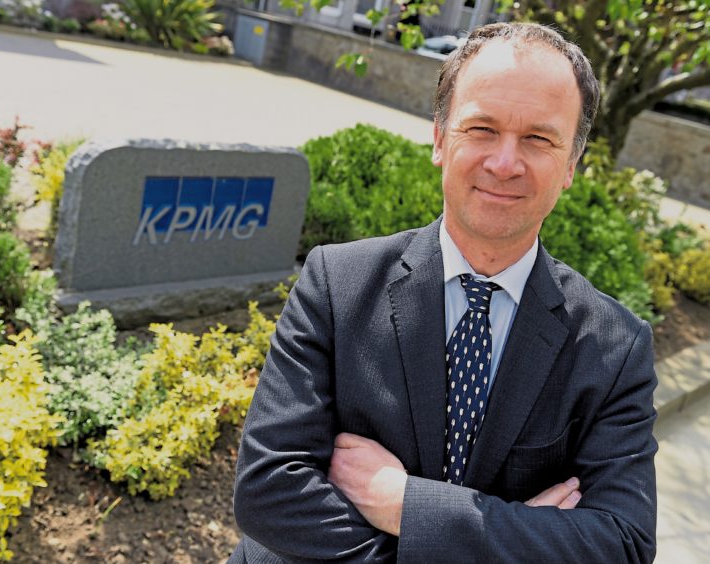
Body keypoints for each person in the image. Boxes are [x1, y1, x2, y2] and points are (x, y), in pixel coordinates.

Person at [230, 22, 657, 563]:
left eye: (538, 138)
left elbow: (621, 547)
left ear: (571, 164)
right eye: (481, 128)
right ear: (439, 139)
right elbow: (269, 493)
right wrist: (516, 536)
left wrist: (406, 504)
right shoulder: (337, 284)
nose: (505, 163)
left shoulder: (616, 348)